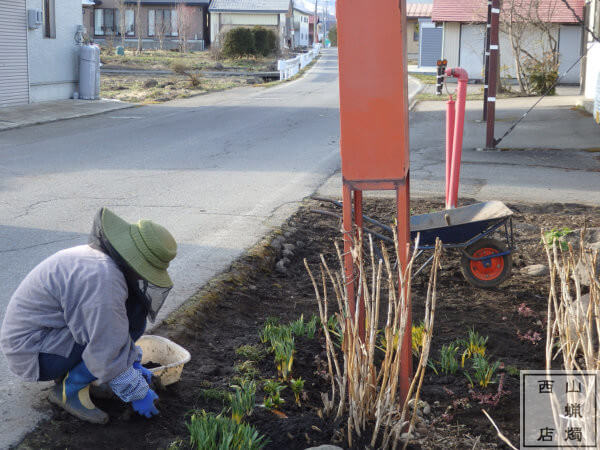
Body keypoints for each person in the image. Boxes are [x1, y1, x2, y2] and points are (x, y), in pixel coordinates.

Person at [0, 208, 177, 424]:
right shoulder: (103, 279)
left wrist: (133, 364)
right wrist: (137, 393)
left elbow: (114, 329)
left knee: (132, 314)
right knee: (110, 341)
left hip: (47, 336)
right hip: (33, 352)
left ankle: (89, 375)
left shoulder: (104, 263)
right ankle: (69, 391)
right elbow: (106, 345)